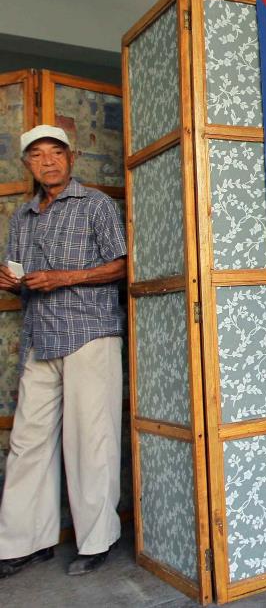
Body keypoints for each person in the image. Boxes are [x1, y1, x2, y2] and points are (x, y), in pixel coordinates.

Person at [0, 125, 127, 579]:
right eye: (37, 155)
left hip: (89, 334)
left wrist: (63, 277)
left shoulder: (95, 204)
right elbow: (21, 279)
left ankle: (97, 541)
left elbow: (121, 265)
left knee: (90, 441)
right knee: (27, 443)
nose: (48, 161)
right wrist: (11, 282)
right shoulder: (23, 217)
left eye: (56, 152)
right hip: (40, 337)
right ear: (27, 165)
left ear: (71, 158)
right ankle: (26, 542)